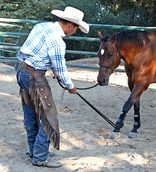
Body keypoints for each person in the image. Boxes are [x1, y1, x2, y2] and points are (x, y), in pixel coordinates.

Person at [16, 6, 89, 168]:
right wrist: (70, 86)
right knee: (49, 117)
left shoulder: (41, 26)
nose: (75, 31)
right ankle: (40, 156)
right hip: (35, 77)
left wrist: (50, 67)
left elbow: (36, 52)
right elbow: (62, 70)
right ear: (70, 25)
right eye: (76, 27)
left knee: (31, 111)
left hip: (22, 71)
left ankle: (34, 150)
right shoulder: (58, 42)